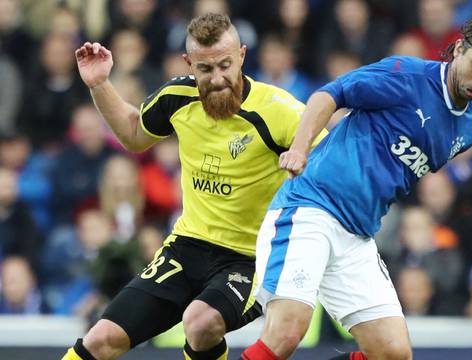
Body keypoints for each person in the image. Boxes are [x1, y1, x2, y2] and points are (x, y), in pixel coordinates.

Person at [241, 13, 472, 360]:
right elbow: (329, 95)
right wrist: (299, 148)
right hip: (311, 207)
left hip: (357, 235)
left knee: (393, 354)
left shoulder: (468, 131)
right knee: (285, 332)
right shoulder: (407, 75)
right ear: (459, 48)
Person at [62, 13, 325, 360]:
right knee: (101, 339)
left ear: (243, 56)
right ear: (189, 64)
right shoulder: (176, 97)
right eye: (205, 69)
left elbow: (329, 161)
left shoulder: (279, 111)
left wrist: (304, 163)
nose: (217, 79)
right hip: (186, 247)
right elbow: (134, 135)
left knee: (200, 323)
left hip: (251, 257)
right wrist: (99, 84)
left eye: (225, 65)